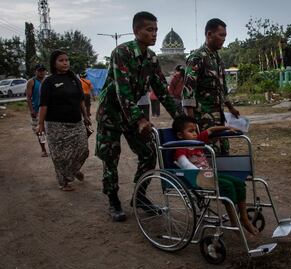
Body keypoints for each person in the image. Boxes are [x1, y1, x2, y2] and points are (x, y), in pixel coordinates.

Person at [95, 11, 179, 222]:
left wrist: (180, 118)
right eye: (149, 30)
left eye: (156, 30)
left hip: (131, 114)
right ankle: (113, 200)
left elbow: (161, 89)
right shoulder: (121, 53)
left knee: (149, 153)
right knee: (110, 158)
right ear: (136, 31)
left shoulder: (151, 58)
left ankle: (139, 196)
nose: (154, 34)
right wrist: (140, 119)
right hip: (111, 115)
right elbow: (123, 91)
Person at [172, 115, 259, 235]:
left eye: (195, 130)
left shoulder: (197, 141)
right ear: (180, 135)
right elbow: (185, 165)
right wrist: (200, 173)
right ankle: (234, 222)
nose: (195, 134)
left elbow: (211, 130)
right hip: (198, 178)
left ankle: (244, 219)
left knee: (239, 183)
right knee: (228, 186)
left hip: (210, 175)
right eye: (191, 131)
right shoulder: (180, 149)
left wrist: (228, 127)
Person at [182, 18, 239, 155]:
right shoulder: (197, 57)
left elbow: (221, 88)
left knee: (223, 152)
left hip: (219, 118)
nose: (224, 39)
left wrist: (231, 107)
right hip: (203, 119)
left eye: (225, 35)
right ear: (209, 34)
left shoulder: (217, 59)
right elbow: (188, 92)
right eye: (221, 35)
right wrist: (192, 123)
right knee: (208, 155)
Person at [37, 50, 91, 191]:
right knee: (59, 155)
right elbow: (44, 105)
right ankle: (64, 182)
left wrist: (85, 116)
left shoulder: (74, 79)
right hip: (55, 124)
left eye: (67, 60)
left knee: (83, 149)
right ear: (54, 63)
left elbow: (80, 100)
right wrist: (40, 123)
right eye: (61, 60)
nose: (65, 62)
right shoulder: (48, 82)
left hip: (76, 121)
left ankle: (72, 170)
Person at [26, 64, 48, 157]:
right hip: (37, 110)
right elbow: (28, 97)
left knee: (51, 130)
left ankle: (52, 147)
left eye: (43, 70)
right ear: (35, 71)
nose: (42, 72)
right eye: (39, 70)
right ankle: (43, 149)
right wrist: (32, 111)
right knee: (40, 131)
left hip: (48, 109)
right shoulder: (31, 82)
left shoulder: (47, 80)